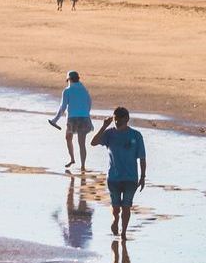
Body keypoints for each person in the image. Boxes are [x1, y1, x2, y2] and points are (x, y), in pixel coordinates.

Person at [90, 106, 147, 238]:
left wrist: (143, 176)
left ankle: (124, 232)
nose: (116, 122)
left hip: (130, 178)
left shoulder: (136, 135)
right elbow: (93, 142)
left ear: (127, 119)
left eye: (119, 119)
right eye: (115, 119)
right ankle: (115, 220)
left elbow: (142, 157)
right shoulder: (109, 133)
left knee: (126, 207)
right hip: (113, 178)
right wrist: (104, 126)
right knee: (116, 208)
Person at [47, 71, 92, 170]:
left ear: (69, 80)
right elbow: (89, 103)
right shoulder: (84, 90)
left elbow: (62, 108)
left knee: (71, 139)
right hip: (83, 118)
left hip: (73, 118)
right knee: (79, 142)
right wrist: (86, 113)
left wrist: (55, 120)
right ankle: (79, 163)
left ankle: (77, 162)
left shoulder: (67, 91)